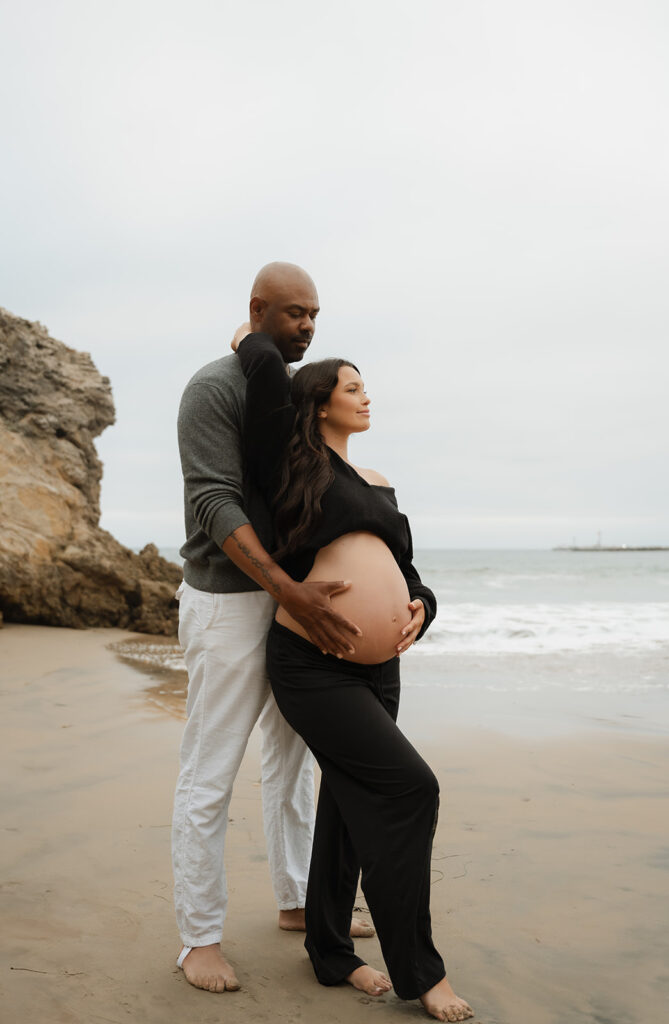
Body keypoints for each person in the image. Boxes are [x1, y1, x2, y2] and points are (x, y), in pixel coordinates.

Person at [232, 328, 474, 1022]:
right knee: (409, 789)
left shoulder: (377, 483)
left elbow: (409, 573)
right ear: (317, 404)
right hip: (311, 664)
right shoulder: (290, 462)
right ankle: (420, 972)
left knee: (346, 803)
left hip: (379, 670)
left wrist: (421, 608)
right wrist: (255, 342)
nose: (366, 396)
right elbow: (268, 384)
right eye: (352, 386)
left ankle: (330, 949)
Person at [173, 263, 372, 994]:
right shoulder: (210, 390)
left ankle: (294, 900)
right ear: (258, 309)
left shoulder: (288, 391)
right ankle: (197, 938)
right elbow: (216, 504)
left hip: (290, 604)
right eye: (293, 314)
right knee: (210, 770)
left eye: (314, 314)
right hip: (228, 602)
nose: (308, 326)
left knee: (293, 763)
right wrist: (292, 589)